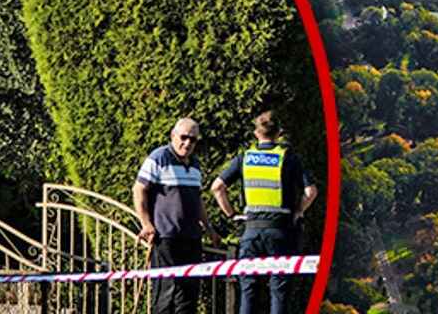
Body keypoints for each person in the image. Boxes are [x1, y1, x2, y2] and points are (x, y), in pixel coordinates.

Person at [211, 110, 317, 314]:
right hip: (281, 230)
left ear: (256, 133)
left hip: (251, 231)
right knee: (279, 289)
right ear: (279, 133)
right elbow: (311, 191)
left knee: (248, 289)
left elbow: (217, 187)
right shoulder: (288, 157)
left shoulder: (245, 157)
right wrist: (298, 211)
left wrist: (232, 214)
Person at [134, 117, 207, 314]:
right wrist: (146, 223)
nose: (188, 143)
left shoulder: (195, 165)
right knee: (165, 295)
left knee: (189, 297)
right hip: (166, 238)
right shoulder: (158, 158)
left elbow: (198, 199)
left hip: (191, 237)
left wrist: (208, 228)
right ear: (173, 136)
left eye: (193, 139)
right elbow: (139, 189)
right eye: (184, 137)